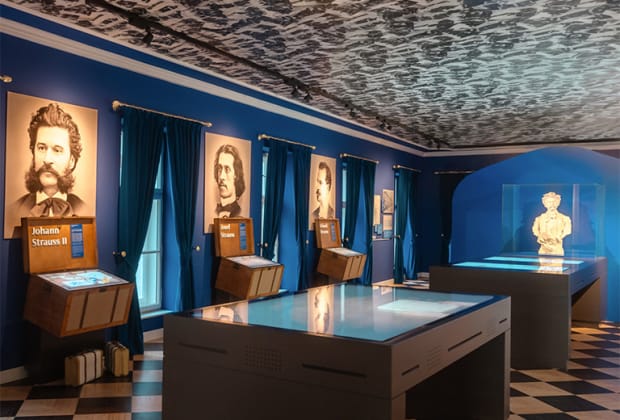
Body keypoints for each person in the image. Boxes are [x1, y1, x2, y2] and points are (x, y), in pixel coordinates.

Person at [9, 103, 87, 221]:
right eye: (41, 148)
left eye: (57, 150)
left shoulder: (85, 210)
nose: (47, 159)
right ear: (33, 153)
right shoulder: (13, 210)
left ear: (71, 161)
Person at [532, 192, 572, 256]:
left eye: (554, 202)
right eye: (549, 202)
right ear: (545, 203)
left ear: (558, 203)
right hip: (543, 249)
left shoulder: (565, 218)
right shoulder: (539, 219)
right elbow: (535, 230)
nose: (552, 204)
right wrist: (540, 236)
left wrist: (559, 237)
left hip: (557, 249)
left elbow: (568, 230)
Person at [214, 143, 245, 217]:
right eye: (219, 169)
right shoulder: (215, 210)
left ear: (236, 175)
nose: (221, 177)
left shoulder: (238, 212)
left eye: (227, 169)